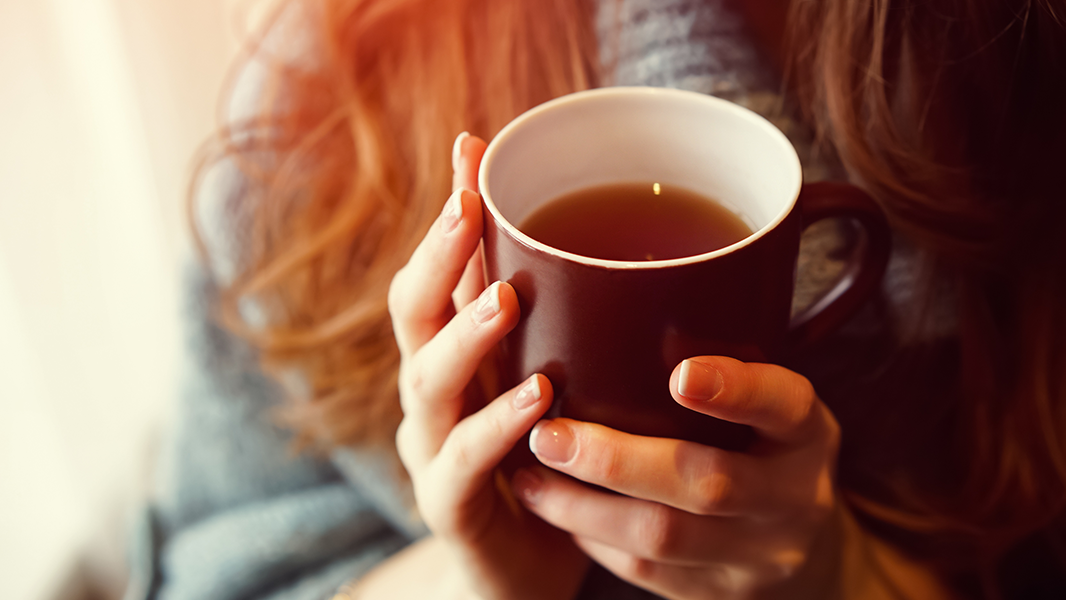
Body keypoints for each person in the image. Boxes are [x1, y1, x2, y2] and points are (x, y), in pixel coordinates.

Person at [126, 0, 1066, 599]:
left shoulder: (1021, 69)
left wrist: (843, 582)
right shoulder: (327, 94)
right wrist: (472, 579)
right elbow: (222, 571)